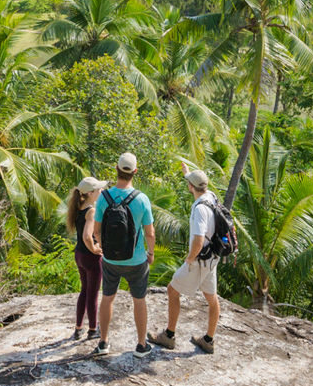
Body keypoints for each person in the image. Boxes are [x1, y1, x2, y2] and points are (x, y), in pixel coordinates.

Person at [87, 152, 155, 358]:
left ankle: (103, 343)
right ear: (135, 172)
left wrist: (104, 248)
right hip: (136, 261)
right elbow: (150, 233)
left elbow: (96, 231)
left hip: (110, 260)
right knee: (139, 300)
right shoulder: (142, 199)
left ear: (116, 169)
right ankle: (141, 345)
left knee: (107, 299)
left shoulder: (104, 198)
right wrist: (150, 253)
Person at [151, 168, 222, 354]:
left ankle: (169, 335)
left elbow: (198, 240)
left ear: (191, 187)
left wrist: (190, 259)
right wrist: (188, 172)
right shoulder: (211, 196)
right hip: (212, 257)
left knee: (172, 290)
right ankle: (208, 340)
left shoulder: (199, 210)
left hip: (199, 261)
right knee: (212, 298)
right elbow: (196, 182)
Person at [66, 176, 104, 340]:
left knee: (84, 291)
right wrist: (95, 249)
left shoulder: (79, 207)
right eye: (98, 190)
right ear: (90, 193)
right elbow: (87, 236)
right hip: (90, 257)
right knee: (93, 294)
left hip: (79, 254)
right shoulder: (91, 211)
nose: (101, 191)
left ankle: (78, 327)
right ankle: (93, 330)